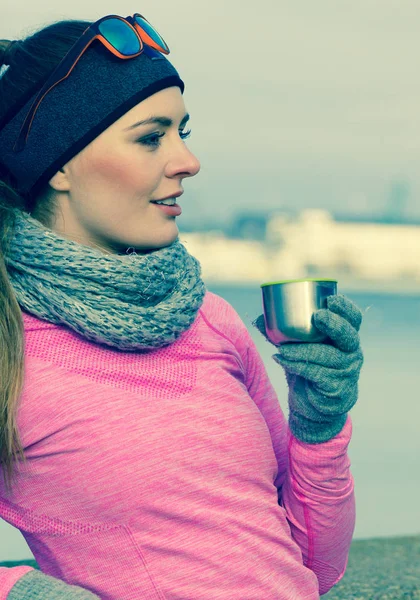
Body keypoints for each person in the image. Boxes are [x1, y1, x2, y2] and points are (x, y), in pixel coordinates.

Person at [0, 12, 364, 600]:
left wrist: (319, 425)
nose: (186, 161)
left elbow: (310, 566)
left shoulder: (208, 318)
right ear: (60, 163)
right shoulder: (9, 343)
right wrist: (25, 592)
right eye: (151, 137)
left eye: (181, 133)